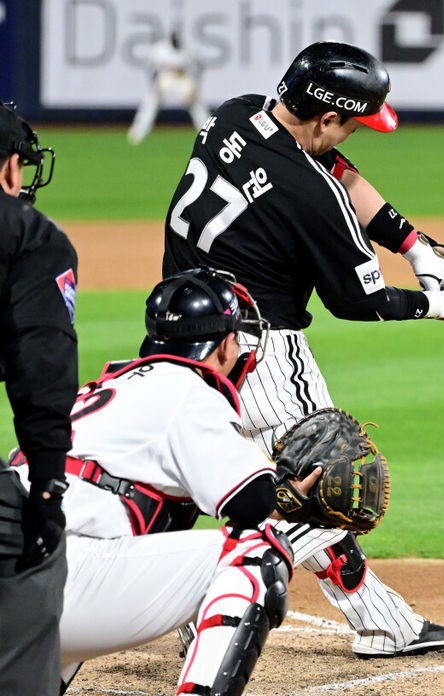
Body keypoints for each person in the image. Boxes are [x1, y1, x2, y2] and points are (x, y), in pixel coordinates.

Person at [162, 41, 444, 658]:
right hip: (260, 352)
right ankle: (382, 624)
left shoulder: (235, 114)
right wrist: (441, 304)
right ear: (327, 117)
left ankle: (189, 609)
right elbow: (357, 300)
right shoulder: (310, 197)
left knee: (197, 479)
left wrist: (412, 244)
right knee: (314, 479)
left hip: (180, 332)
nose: (351, 136)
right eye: (351, 124)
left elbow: (334, 168)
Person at [12, 267, 321, 695]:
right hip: (58, 573)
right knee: (257, 554)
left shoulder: (105, 390)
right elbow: (251, 502)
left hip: (22, 557)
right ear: (227, 342)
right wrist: (288, 490)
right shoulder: (186, 388)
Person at [0, 101, 77, 695]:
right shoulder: (30, 237)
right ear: (8, 171)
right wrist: (48, 486)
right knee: (35, 556)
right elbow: (42, 366)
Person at [128, 30, 210, 145]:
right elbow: (151, 69)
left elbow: (199, 68)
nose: (176, 42)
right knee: (150, 101)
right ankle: (138, 133)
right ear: (169, 41)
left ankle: (208, 134)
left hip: (183, 80)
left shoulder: (189, 50)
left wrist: (195, 88)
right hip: (165, 79)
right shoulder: (159, 50)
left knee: (197, 104)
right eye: (173, 40)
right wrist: (154, 86)